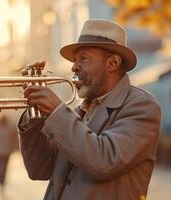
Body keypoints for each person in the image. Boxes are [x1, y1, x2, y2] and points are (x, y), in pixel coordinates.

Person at [18, 19, 161, 200]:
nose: (74, 66)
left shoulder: (142, 106)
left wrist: (56, 111)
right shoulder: (77, 112)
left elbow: (105, 160)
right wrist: (35, 115)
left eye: (84, 58)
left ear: (113, 63)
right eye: (75, 60)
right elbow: (39, 169)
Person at [0, 115, 18, 193]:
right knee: (4, 167)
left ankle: (0, 179)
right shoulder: (9, 129)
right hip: (6, 151)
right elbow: (14, 139)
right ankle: (2, 180)